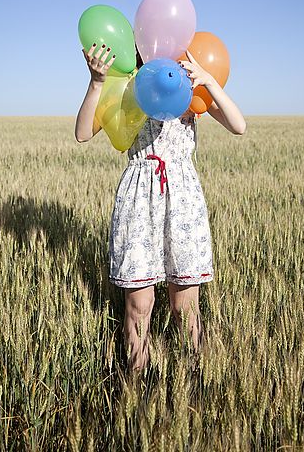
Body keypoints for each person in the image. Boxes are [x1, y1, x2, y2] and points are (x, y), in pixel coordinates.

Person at [75, 42, 246, 373]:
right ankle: (138, 392)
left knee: (185, 305)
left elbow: (238, 125)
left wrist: (208, 80)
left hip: (182, 199)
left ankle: (196, 384)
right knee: (139, 305)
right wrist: (97, 82)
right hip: (139, 199)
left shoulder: (183, 85)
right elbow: (83, 133)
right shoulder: (126, 88)